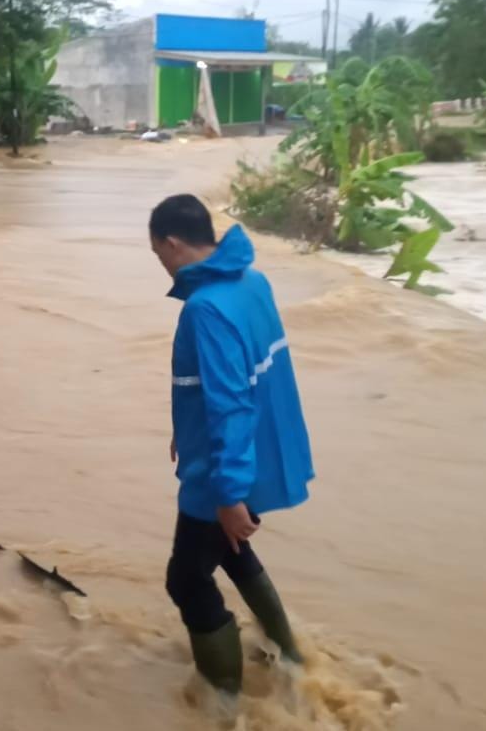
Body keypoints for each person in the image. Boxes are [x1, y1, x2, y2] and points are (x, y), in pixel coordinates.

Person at [149, 194, 314, 702]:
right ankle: (289, 655)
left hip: (227, 468)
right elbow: (235, 382)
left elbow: (231, 405)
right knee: (232, 549)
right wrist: (186, 426)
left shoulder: (205, 308)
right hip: (261, 454)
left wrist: (228, 493)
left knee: (186, 579)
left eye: (157, 252)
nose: (159, 262)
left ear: (173, 243)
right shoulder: (251, 283)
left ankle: (225, 702)